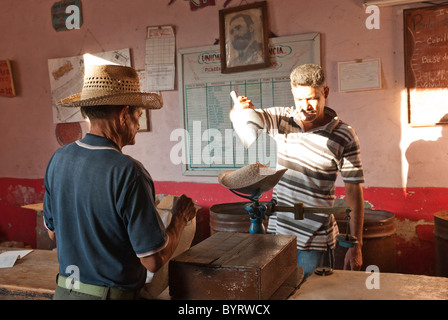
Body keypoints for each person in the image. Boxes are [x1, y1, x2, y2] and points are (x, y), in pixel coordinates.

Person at [43, 64, 197, 299]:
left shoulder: (58, 159)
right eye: (138, 116)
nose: (137, 125)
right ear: (124, 114)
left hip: (64, 293)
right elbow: (153, 261)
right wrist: (179, 219)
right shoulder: (128, 172)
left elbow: (53, 233)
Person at [229, 64, 365, 277]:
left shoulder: (344, 135)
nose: (305, 107)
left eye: (312, 98)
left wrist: (356, 245)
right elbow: (240, 119)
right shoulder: (281, 119)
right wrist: (238, 110)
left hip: (316, 239)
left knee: (312, 295)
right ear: (292, 94)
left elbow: (353, 191)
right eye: (299, 99)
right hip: (278, 235)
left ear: (325, 92)